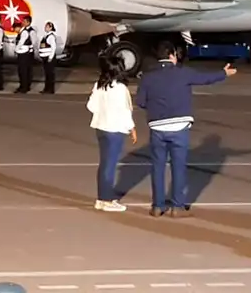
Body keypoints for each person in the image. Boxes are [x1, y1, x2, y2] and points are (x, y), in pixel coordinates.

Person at [136, 40, 236, 217]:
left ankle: (157, 206)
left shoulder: (147, 77)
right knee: (179, 167)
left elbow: (141, 102)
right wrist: (224, 73)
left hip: (157, 127)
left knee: (158, 167)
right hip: (179, 126)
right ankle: (177, 206)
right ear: (172, 55)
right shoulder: (183, 73)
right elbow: (205, 78)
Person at [87, 56, 137, 212]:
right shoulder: (121, 89)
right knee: (110, 164)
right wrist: (132, 129)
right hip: (115, 129)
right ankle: (106, 200)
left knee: (104, 164)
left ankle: (102, 197)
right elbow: (126, 111)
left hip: (100, 127)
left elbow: (91, 106)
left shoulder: (99, 85)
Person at [14, 16, 37, 93]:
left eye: (24, 21)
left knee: (27, 70)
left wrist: (33, 50)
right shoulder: (23, 31)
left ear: (28, 22)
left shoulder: (31, 31)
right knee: (22, 70)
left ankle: (26, 86)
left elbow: (34, 42)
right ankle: (23, 85)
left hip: (28, 53)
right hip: (23, 52)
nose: (23, 23)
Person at [38, 21, 58, 94]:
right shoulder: (45, 36)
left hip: (49, 58)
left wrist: (50, 57)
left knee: (50, 74)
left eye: (47, 26)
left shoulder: (51, 37)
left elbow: (53, 47)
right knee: (47, 74)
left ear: (50, 28)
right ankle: (46, 88)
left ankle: (50, 89)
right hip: (45, 57)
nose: (45, 28)